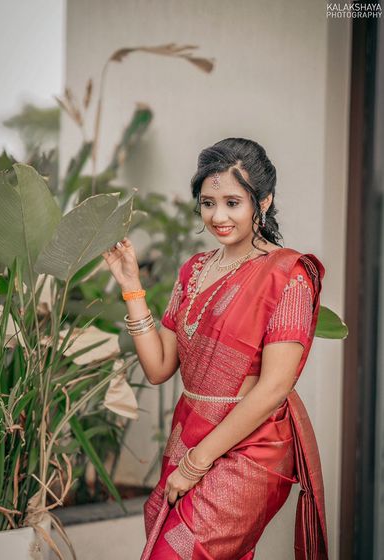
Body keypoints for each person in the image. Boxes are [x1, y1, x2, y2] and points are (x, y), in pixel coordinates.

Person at [102, 138, 329, 560]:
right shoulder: (194, 271)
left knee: (177, 553)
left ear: (263, 201)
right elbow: (159, 367)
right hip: (190, 433)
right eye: (208, 203)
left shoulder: (289, 275)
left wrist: (197, 463)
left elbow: (273, 389)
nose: (218, 217)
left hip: (251, 447)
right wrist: (132, 286)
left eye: (232, 202)